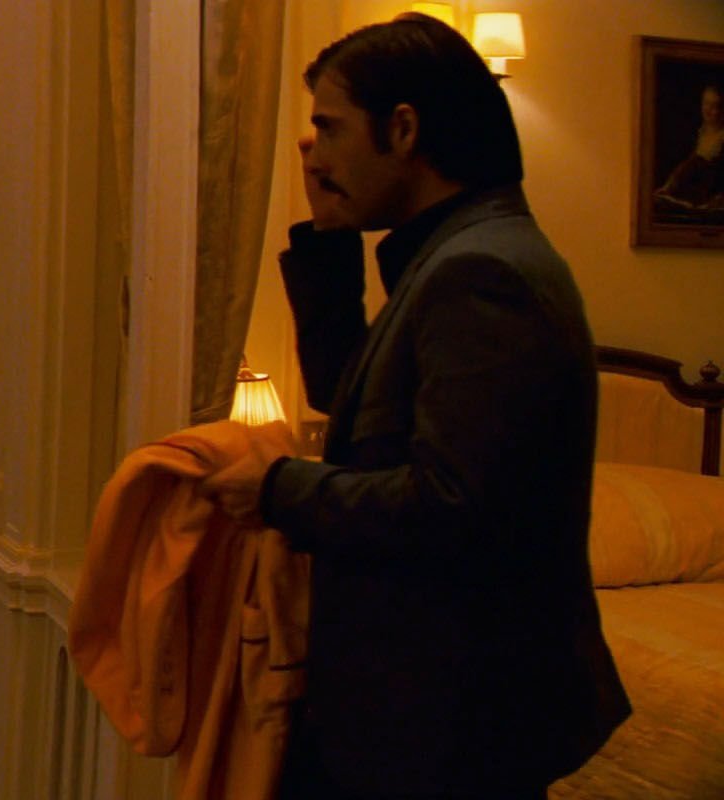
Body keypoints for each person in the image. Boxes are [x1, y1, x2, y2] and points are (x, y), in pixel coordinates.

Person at [204, 13, 630, 800]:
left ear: (402, 130)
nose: (312, 151)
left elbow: (451, 505)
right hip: (415, 714)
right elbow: (351, 404)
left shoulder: (484, 274)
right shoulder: (453, 255)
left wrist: (276, 490)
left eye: (330, 128)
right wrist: (329, 237)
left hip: (450, 725)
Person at [654, 83, 724, 210]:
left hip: (710, 200)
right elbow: (684, 167)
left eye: (714, 106)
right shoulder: (697, 133)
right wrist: (668, 187)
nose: (708, 110)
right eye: (706, 103)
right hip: (688, 196)